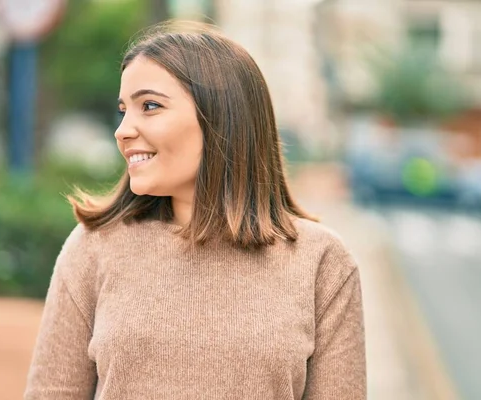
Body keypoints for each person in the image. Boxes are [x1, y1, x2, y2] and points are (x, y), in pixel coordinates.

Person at [24, 21, 366, 400]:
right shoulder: (93, 249)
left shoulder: (322, 263)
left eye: (149, 106)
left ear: (219, 117)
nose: (122, 130)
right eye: (124, 110)